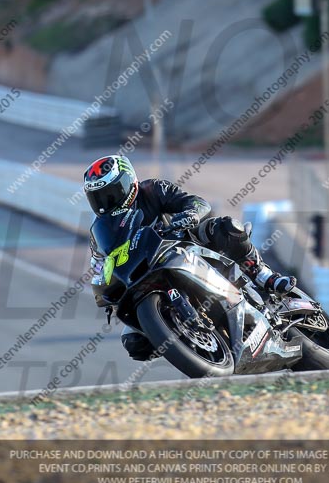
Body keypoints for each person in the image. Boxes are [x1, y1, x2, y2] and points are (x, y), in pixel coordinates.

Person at [84, 154, 296, 361]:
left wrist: (189, 215)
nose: (105, 203)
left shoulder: (153, 190)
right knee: (134, 343)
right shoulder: (102, 231)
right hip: (143, 276)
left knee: (226, 227)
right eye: (98, 198)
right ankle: (184, 339)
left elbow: (196, 202)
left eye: (111, 194)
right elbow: (101, 266)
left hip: (188, 247)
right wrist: (106, 289)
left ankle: (264, 276)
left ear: (128, 182)